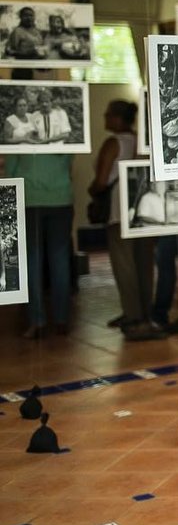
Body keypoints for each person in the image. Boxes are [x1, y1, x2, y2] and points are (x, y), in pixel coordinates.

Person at [6, 83, 74, 339]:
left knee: (33, 261)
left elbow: (11, 168)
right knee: (59, 259)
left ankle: (37, 320)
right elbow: (69, 161)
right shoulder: (59, 125)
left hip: (30, 200)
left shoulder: (24, 128)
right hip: (61, 198)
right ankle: (62, 319)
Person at [91, 100, 162, 341]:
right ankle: (144, 313)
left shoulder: (113, 143)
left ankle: (133, 316)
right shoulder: (140, 141)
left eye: (109, 114)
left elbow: (101, 180)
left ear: (119, 118)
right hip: (142, 208)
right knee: (144, 263)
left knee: (124, 265)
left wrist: (93, 191)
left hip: (119, 210)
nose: (105, 116)